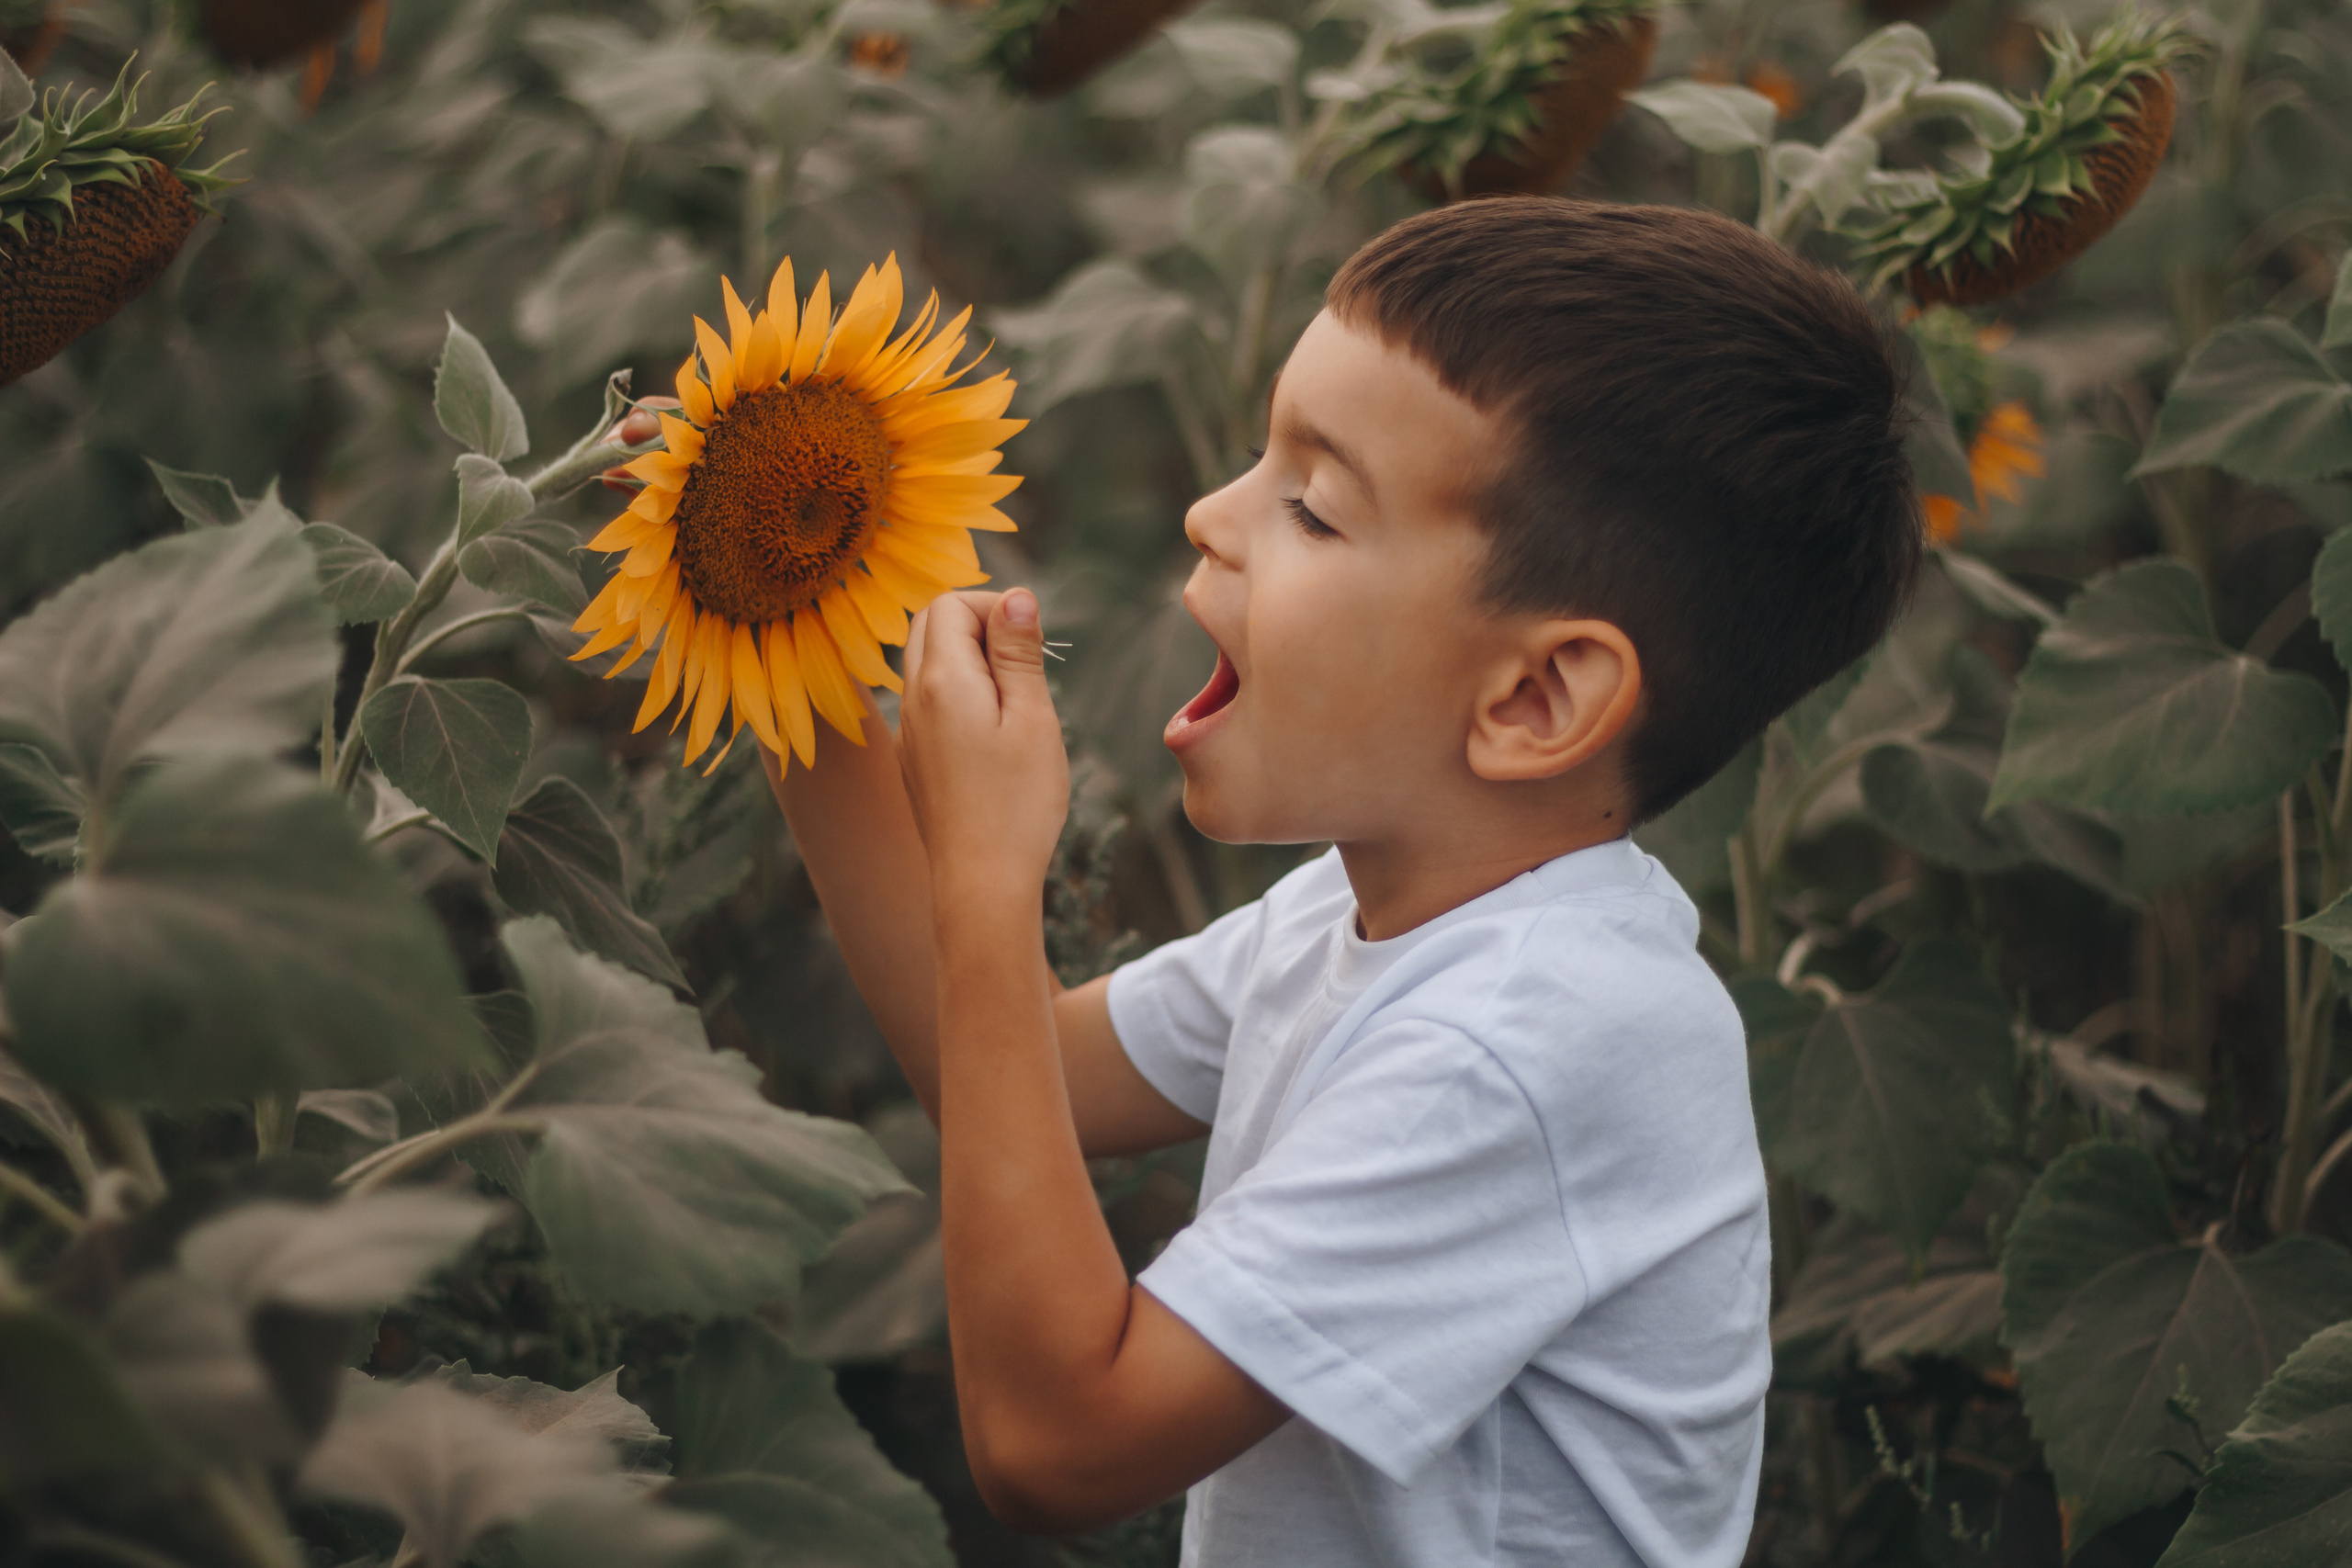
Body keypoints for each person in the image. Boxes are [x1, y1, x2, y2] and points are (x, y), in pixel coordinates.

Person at [763, 197, 1921, 1565]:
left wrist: (985, 875)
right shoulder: (1376, 908)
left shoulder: (1529, 1044)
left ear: (1538, 696)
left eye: (1310, 506)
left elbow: (1056, 1443)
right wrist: (786, 615)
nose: (1212, 514)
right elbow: (1014, 1074)